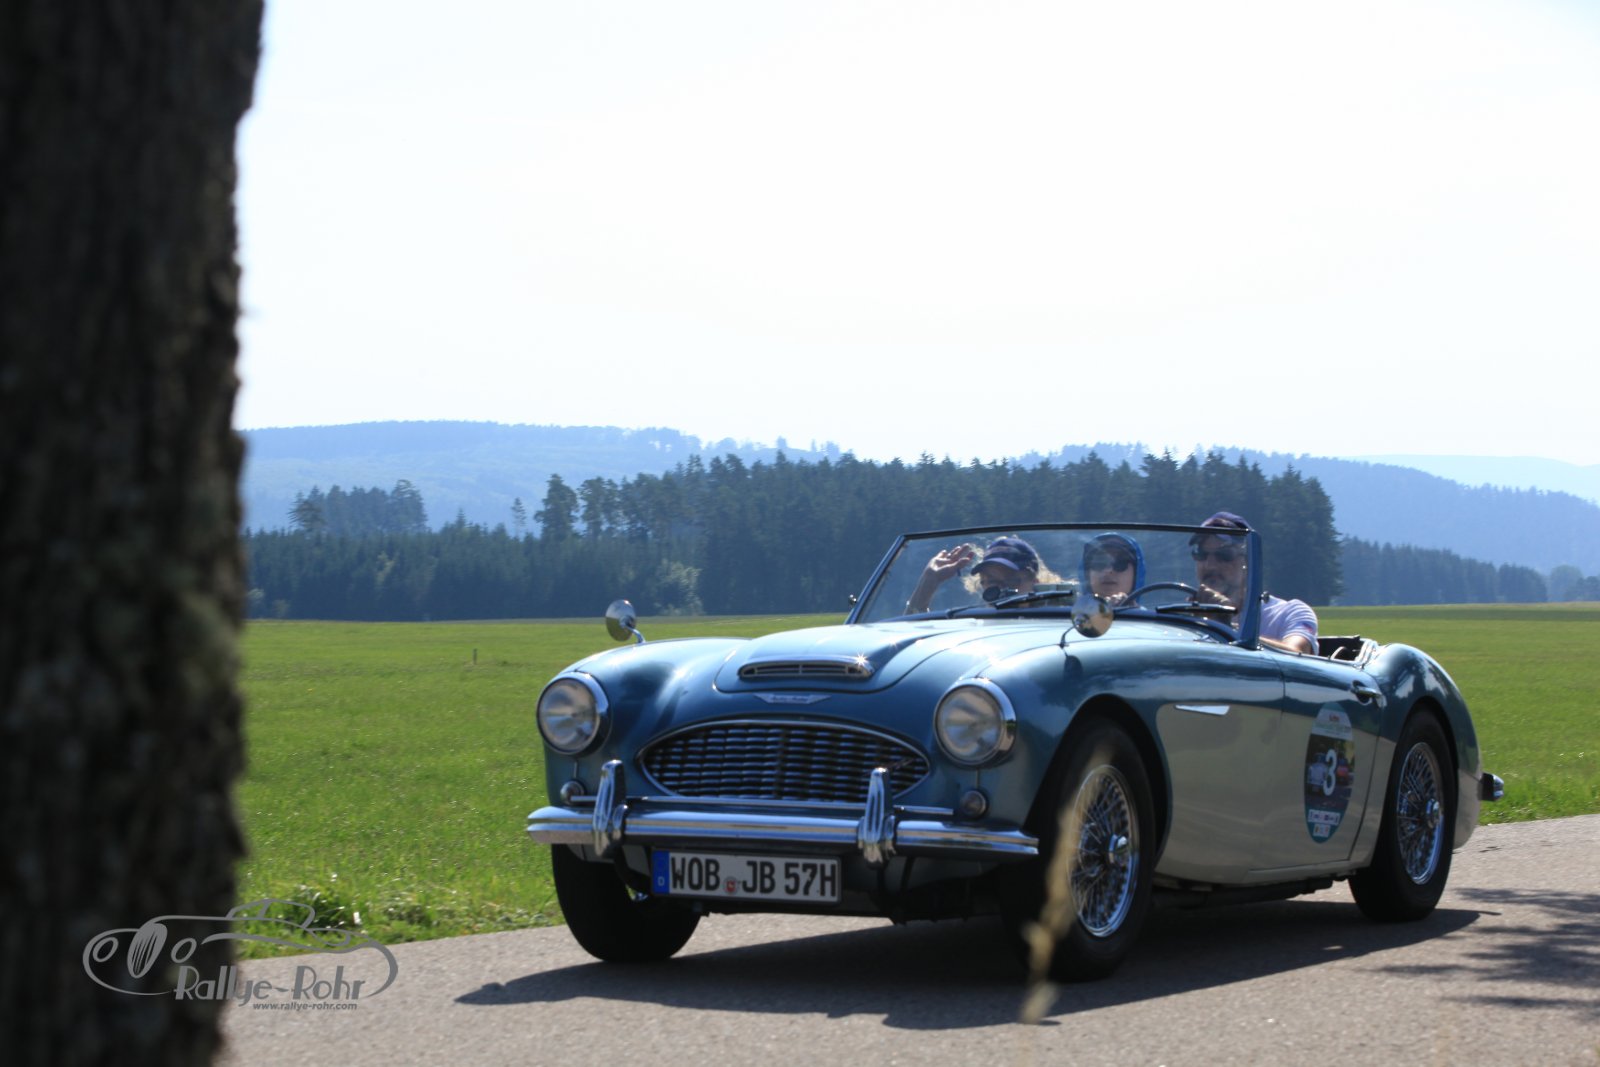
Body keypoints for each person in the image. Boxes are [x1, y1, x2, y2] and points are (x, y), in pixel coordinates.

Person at [1190, 511, 1319, 654]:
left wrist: (1226, 628)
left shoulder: (1288, 613)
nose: (1210, 565)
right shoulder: (1183, 615)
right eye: (1201, 554)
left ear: (1248, 561)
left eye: (1224, 555)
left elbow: (1297, 653)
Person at [906, 535, 1058, 613]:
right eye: (991, 582)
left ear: (1035, 583)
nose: (1001, 591)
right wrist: (928, 583)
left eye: (1012, 581)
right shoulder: (975, 630)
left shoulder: (1059, 623)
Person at [1079, 533, 1145, 604]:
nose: (1108, 570)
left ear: (1136, 574)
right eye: (1099, 562)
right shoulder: (1071, 610)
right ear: (1087, 574)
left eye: (1120, 563)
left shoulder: (1150, 611)